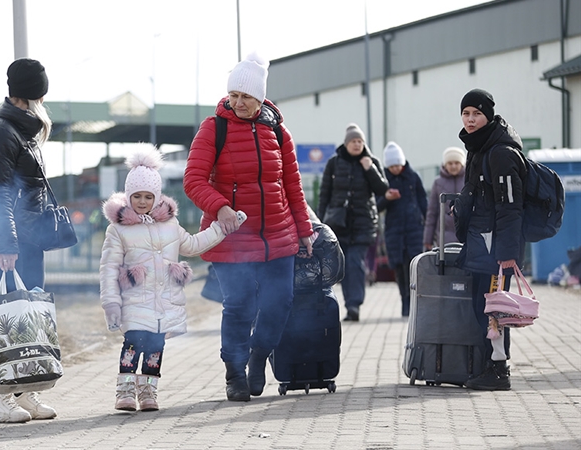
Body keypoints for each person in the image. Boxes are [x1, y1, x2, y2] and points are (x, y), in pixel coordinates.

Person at [183, 52, 314, 402]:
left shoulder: (277, 131)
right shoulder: (214, 128)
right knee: (239, 305)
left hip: (278, 236)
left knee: (279, 303)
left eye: (246, 97)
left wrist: (304, 229)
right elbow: (193, 180)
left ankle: (257, 359)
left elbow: (292, 186)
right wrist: (220, 207)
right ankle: (234, 372)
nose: (237, 103)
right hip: (232, 239)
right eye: (233, 95)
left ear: (260, 98)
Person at [100, 144, 237, 412]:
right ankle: (125, 390)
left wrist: (220, 229)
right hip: (134, 300)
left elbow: (193, 245)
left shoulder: (170, 225)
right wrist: (111, 303)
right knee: (133, 343)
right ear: (128, 197)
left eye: (148, 196)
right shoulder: (118, 230)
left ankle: (149, 391)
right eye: (136, 196)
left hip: (164, 302)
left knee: (155, 347)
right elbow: (108, 267)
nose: (142, 202)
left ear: (157, 196)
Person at [0, 57, 58, 423]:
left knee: (29, 320)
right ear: (34, 94)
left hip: (28, 240)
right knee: (4, 322)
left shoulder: (22, 131)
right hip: (5, 242)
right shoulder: (0, 132)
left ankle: (24, 393)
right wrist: (6, 243)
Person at [452, 88, 525, 391]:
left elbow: (510, 206)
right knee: (482, 307)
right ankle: (487, 365)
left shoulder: (500, 153)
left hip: (496, 247)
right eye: (466, 113)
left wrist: (507, 253)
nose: (470, 119)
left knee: (495, 308)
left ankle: (498, 370)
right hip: (481, 241)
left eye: (476, 114)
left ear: (488, 116)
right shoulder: (478, 148)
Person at [317, 123, 390, 322]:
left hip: (363, 223)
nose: (357, 145)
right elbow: (325, 194)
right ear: (347, 143)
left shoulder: (371, 161)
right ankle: (350, 303)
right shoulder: (334, 162)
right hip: (339, 223)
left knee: (356, 263)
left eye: (360, 141)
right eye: (353, 141)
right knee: (344, 265)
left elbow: (383, 189)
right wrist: (320, 223)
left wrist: (370, 169)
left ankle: (354, 305)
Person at [375, 142, 427, 317]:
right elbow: (376, 206)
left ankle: (414, 303)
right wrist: (387, 198)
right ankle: (404, 301)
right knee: (399, 267)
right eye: (392, 166)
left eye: (398, 164)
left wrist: (427, 223)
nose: (395, 169)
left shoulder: (413, 177)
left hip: (414, 229)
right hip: (394, 231)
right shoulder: (382, 180)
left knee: (413, 266)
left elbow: (423, 201)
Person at [423, 146, 466, 250]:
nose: (453, 166)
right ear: (445, 165)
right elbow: (432, 213)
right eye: (450, 163)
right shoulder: (438, 183)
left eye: (456, 163)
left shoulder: (469, 180)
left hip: (466, 233)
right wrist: (427, 239)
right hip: (444, 235)